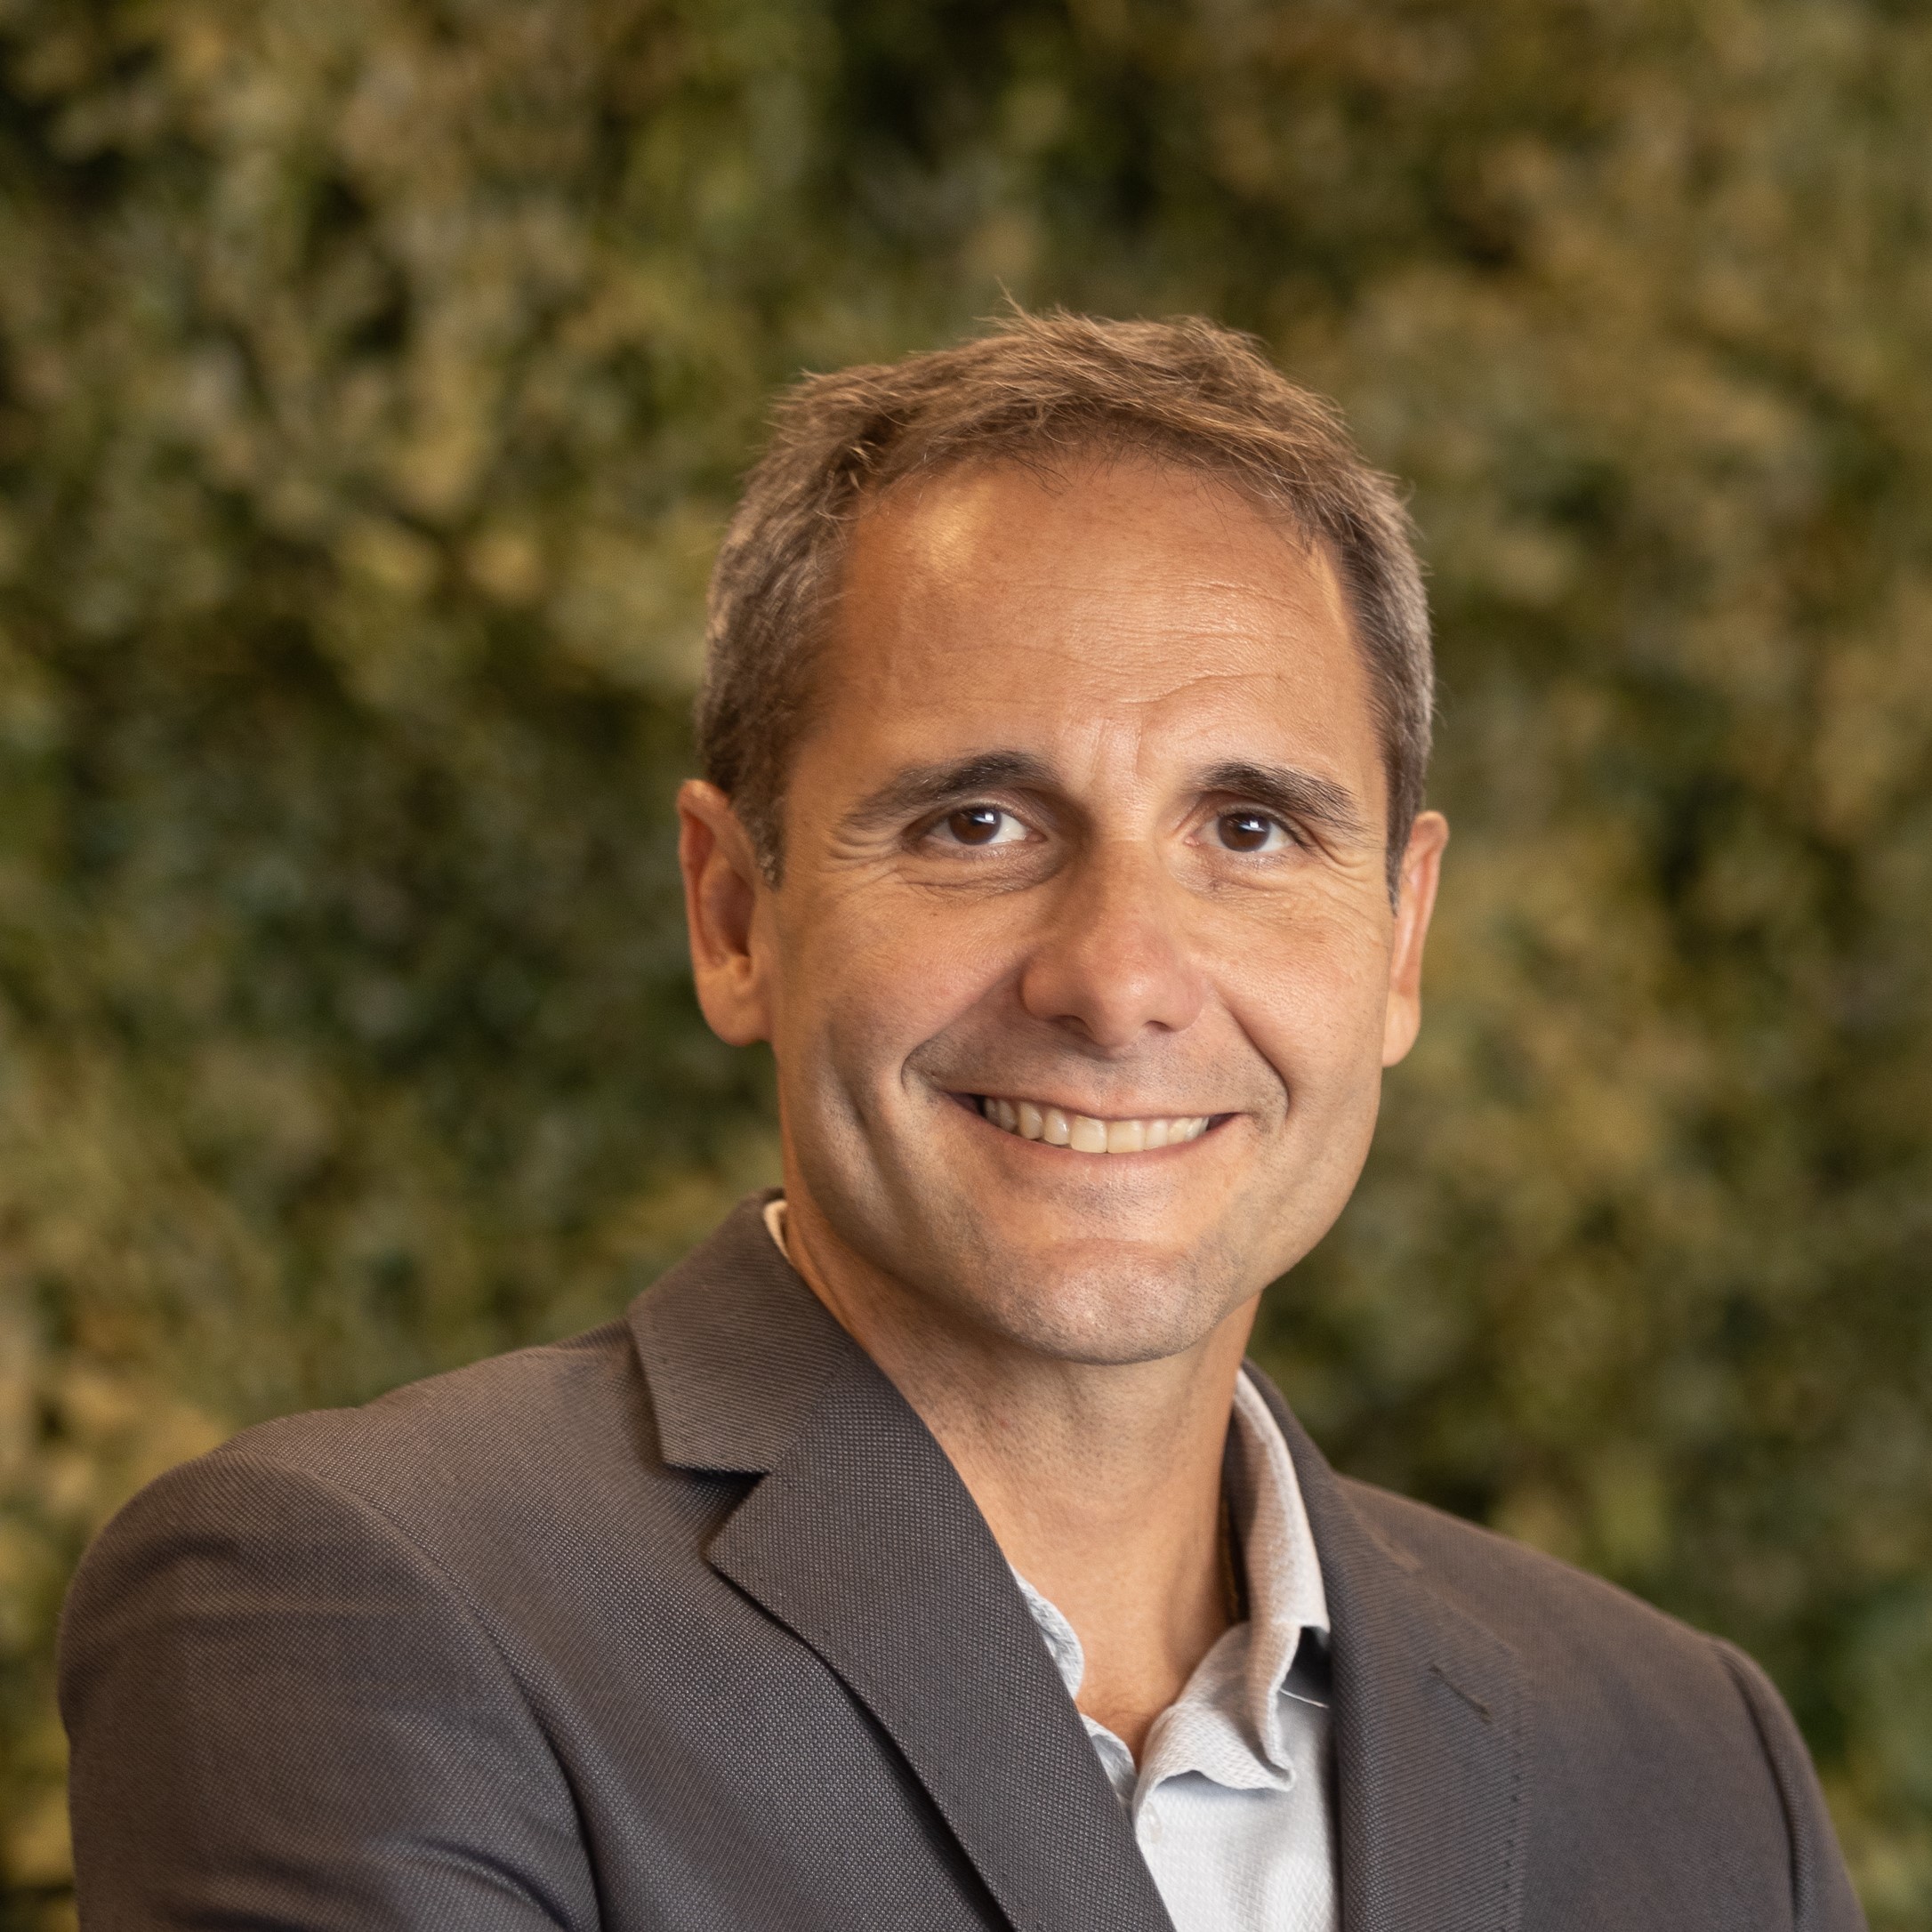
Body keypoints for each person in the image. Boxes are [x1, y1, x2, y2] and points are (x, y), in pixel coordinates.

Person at [60, 312, 1864, 1932]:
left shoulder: (1691, 1764)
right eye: (976, 826)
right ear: (734, 912)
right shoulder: (358, 1613)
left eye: (1250, 831)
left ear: (1399, 941)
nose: (1120, 980)